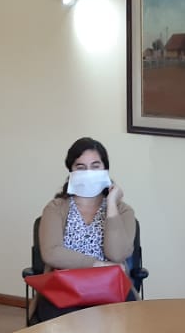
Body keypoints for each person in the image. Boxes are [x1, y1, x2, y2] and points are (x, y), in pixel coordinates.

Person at [32, 136, 137, 321]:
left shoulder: (123, 211)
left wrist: (111, 204)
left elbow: (117, 255)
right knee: (63, 325)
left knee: (120, 324)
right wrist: (99, 265)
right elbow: (51, 253)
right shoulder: (55, 208)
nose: (88, 173)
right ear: (71, 171)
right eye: (81, 167)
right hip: (64, 290)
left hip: (110, 290)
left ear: (105, 169)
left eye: (95, 166)